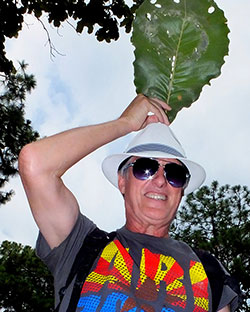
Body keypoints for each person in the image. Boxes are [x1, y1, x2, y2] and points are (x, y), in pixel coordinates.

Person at [18, 94, 239, 312]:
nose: (160, 181)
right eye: (145, 167)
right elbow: (34, 163)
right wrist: (124, 124)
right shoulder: (81, 246)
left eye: (174, 173)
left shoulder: (208, 271)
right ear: (122, 181)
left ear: (181, 191)